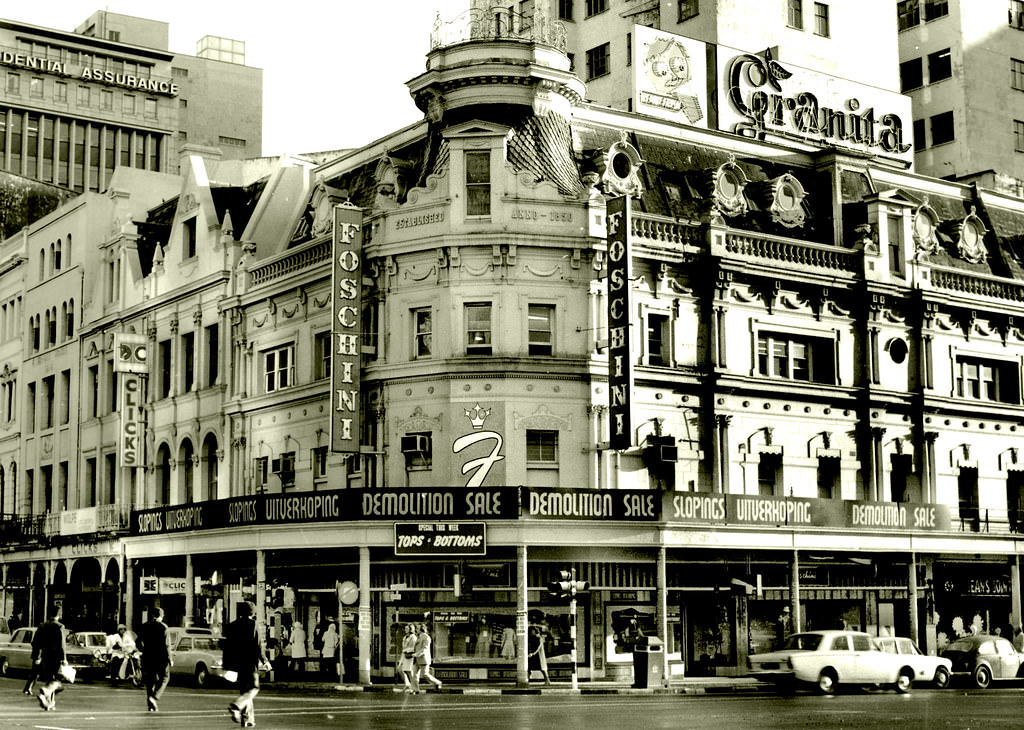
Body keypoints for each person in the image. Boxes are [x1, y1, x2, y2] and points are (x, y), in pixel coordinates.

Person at [222, 601, 268, 728]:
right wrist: (265, 661)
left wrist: (227, 666)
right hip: (250, 662)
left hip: (237, 664)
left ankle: (247, 719)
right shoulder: (254, 625)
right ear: (252, 612)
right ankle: (237, 705)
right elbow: (258, 646)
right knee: (254, 688)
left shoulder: (232, 625)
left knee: (245, 691)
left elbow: (227, 647)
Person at [137, 606, 173, 712]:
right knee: (165, 677)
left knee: (150, 681)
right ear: (161, 616)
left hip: (147, 657)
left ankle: (151, 706)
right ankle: (154, 696)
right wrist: (170, 658)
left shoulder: (145, 626)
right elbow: (167, 645)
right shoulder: (163, 627)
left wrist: (144, 650)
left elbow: (137, 642)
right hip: (161, 658)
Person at [31, 607, 65, 711]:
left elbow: (35, 642)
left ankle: (49, 703)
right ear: (59, 615)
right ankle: (46, 692)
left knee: (50, 679)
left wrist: (36, 656)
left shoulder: (42, 626)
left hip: (45, 656)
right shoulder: (60, 626)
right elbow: (62, 645)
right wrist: (64, 659)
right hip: (55, 656)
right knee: (57, 682)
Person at [414, 623, 442, 690]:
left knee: (425, 674)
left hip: (423, 659)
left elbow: (424, 648)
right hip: (416, 659)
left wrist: (417, 654)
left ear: (422, 629)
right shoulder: (418, 637)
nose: (416, 630)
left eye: (417, 628)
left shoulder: (426, 637)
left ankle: (437, 682)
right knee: (414, 675)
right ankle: (416, 689)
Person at [398, 623, 420, 694]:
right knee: (400, 669)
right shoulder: (405, 637)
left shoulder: (413, 637)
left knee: (409, 672)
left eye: (407, 628)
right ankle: (407, 684)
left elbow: (413, 648)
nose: (405, 630)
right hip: (404, 655)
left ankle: (413, 687)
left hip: (410, 656)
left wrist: (406, 650)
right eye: (405, 628)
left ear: (411, 629)